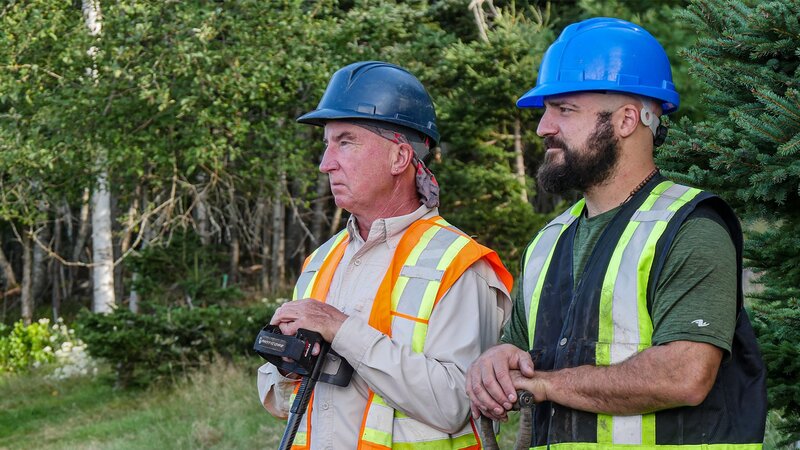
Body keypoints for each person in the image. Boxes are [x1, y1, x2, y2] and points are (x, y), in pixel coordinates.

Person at [466, 17, 767, 448]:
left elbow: (685, 375)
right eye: (546, 110)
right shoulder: (548, 241)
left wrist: (548, 385)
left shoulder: (690, 227)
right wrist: (497, 360)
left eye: (564, 109)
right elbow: (517, 352)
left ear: (626, 120)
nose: (543, 127)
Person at [257, 61, 514, 449]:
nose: (326, 163)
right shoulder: (321, 260)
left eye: (345, 142)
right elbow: (280, 400)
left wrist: (342, 330)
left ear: (399, 158)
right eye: (326, 144)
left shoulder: (457, 263)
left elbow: (456, 405)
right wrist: (285, 362)